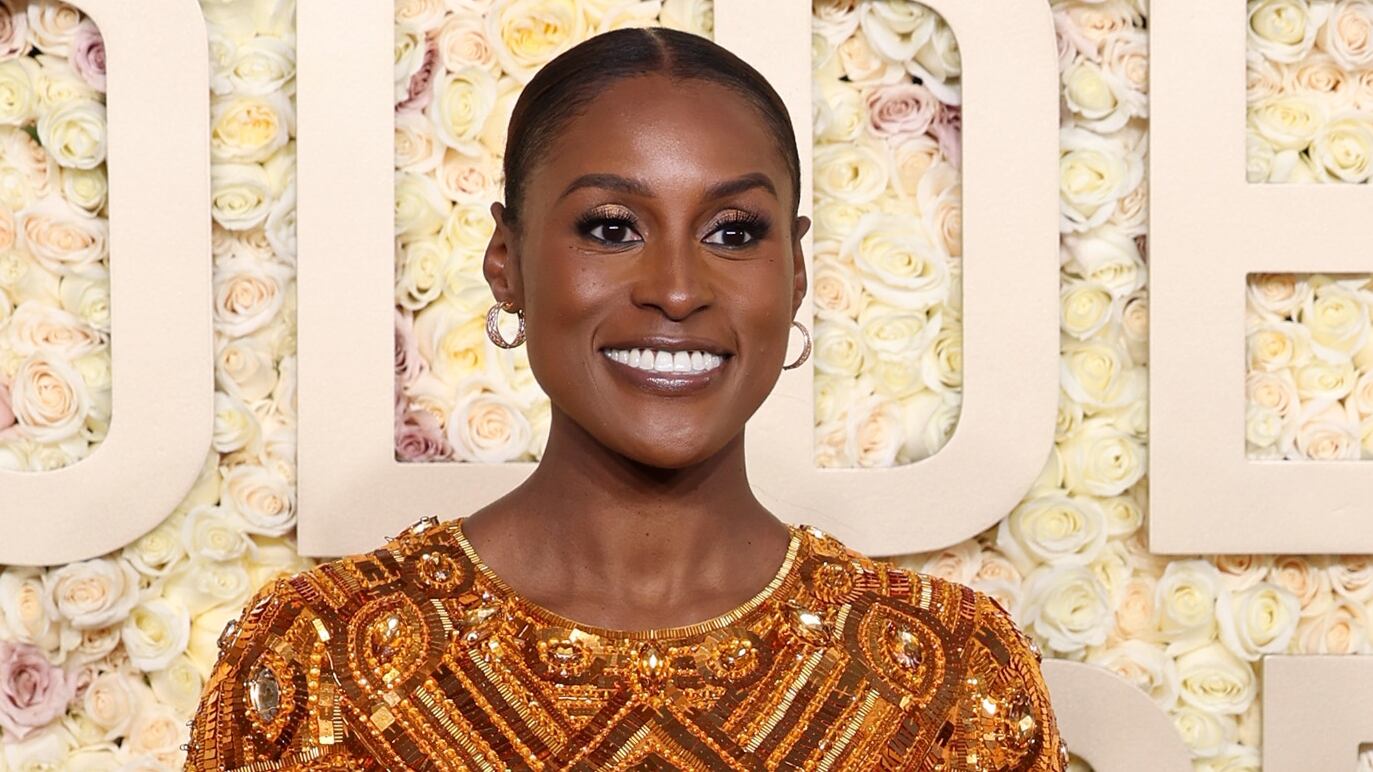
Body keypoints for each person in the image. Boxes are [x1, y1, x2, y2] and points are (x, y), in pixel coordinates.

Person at [185, 26, 1066, 771]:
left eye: (733, 232)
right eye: (611, 228)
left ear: (794, 271)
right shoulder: (325, 660)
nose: (677, 289)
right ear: (507, 262)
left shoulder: (945, 676)